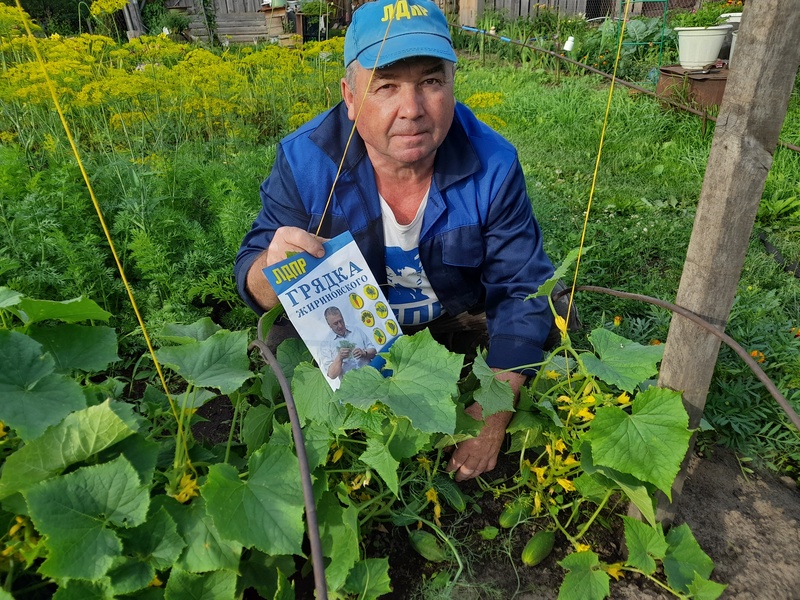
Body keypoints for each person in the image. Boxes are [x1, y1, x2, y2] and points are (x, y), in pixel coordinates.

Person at [235, 0, 559, 482]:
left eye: (431, 82)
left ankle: (462, 374)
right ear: (349, 96)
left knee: (550, 315)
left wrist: (493, 416)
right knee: (279, 340)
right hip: (355, 334)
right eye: (386, 87)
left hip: (454, 317)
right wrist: (270, 266)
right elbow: (252, 283)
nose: (412, 110)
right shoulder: (306, 161)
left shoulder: (493, 163)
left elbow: (520, 287)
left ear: (452, 84)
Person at [318, 306, 377, 380]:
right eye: (335, 323)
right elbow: (332, 375)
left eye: (341, 321)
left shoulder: (357, 331)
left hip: (370, 378)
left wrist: (364, 353)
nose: (340, 325)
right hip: (351, 385)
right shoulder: (325, 345)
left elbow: (374, 352)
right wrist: (339, 358)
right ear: (329, 324)